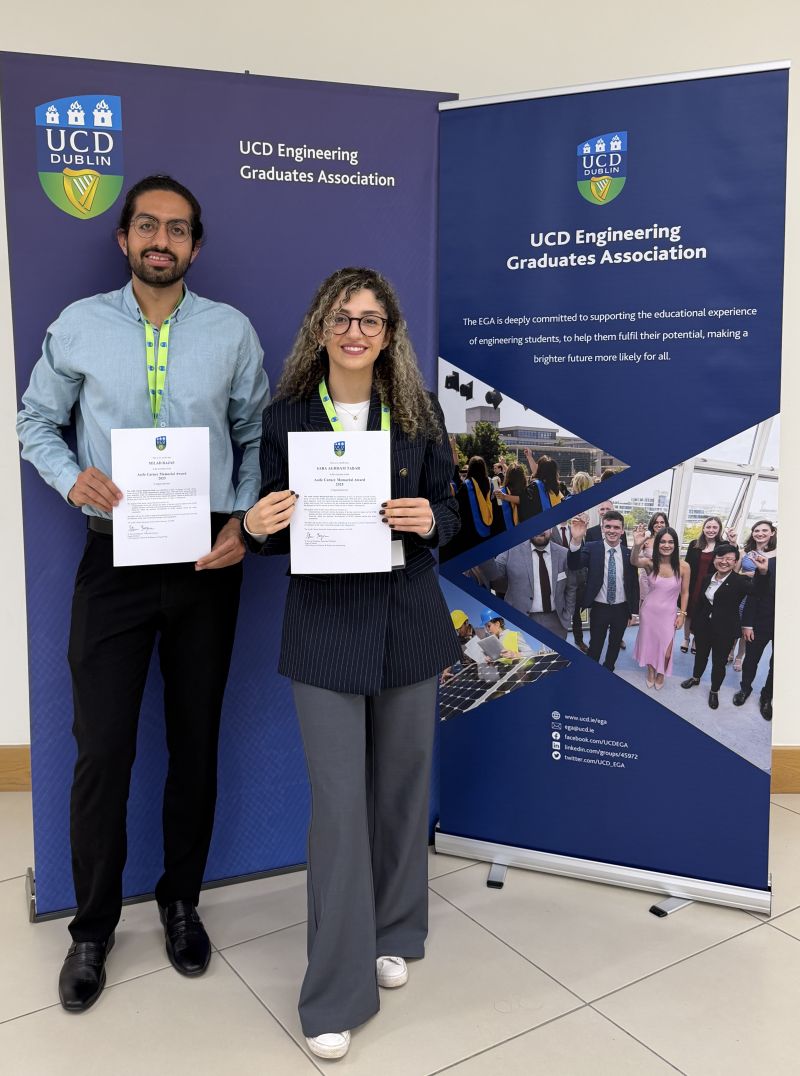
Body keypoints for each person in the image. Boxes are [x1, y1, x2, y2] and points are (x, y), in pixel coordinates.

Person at [16, 175, 270, 1013]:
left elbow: (252, 435)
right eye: (148, 226)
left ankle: (180, 901)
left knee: (195, 744)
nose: (162, 240)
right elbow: (33, 421)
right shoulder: (80, 325)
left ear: (196, 246)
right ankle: (91, 929)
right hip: (112, 560)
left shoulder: (230, 331)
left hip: (205, 563)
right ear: (123, 238)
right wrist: (68, 475)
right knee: (104, 751)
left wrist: (240, 524)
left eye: (179, 230)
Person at [242, 267, 460, 1060]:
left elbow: (455, 514)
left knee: (402, 788)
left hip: (408, 620)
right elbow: (266, 525)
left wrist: (432, 516)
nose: (357, 331)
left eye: (372, 319)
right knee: (338, 808)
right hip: (326, 627)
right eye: (343, 317)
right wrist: (261, 524)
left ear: (390, 333)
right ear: (320, 328)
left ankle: (396, 928)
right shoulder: (288, 415)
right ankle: (334, 989)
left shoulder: (419, 415)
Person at [681, 544, 768, 708]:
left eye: (729, 559)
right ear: (714, 559)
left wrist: (762, 572)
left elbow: (759, 592)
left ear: (735, 562)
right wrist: (695, 625)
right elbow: (701, 603)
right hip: (704, 626)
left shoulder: (740, 581)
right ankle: (696, 677)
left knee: (719, 662)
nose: (724, 561)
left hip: (725, 630)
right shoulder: (708, 578)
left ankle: (714, 690)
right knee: (700, 655)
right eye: (720, 557)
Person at [568, 511, 639, 670]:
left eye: (616, 527)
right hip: (599, 608)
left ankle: (608, 669)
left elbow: (633, 584)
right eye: (608, 526)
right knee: (595, 644)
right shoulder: (592, 548)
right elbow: (574, 565)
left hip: (621, 608)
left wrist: (634, 612)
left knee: (615, 643)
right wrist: (576, 540)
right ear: (602, 528)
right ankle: (592, 672)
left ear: (622, 530)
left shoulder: (629, 554)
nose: (612, 530)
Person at [480, 530, 576, 639]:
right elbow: (493, 575)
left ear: (552, 529)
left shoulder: (564, 554)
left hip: (557, 622)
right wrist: (483, 548)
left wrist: (568, 614)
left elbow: (571, 586)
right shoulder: (510, 550)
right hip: (521, 621)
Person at [631, 524, 689, 689]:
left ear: (675, 545)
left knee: (667, 650)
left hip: (669, 614)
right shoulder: (650, 563)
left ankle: (661, 672)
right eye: (662, 541)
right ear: (657, 545)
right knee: (649, 644)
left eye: (670, 542)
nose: (666, 545)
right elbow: (634, 561)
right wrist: (637, 544)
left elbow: (685, 593)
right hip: (649, 612)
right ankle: (650, 671)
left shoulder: (684, 566)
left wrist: (682, 614)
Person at [734, 540, 776, 721]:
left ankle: (767, 697)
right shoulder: (764, 561)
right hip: (761, 620)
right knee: (751, 659)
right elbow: (754, 593)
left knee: (778, 665)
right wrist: (748, 624)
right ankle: (745, 689)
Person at [730, 520, 777, 672]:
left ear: (772, 532)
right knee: (734, 625)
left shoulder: (777, 554)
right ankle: (730, 651)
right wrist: (750, 574)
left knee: (747, 629)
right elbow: (735, 574)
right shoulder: (745, 552)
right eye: (756, 531)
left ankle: (739, 656)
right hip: (741, 595)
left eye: (764, 530)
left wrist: (758, 575)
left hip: (758, 597)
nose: (760, 533)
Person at [682, 516, 728, 653]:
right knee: (689, 612)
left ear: (719, 529)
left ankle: (696, 638)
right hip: (693, 584)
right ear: (703, 528)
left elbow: (729, 562)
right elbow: (688, 564)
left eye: (715, 527)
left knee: (702, 613)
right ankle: (686, 638)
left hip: (711, 585)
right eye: (708, 527)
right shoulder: (694, 544)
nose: (711, 530)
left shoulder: (724, 546)